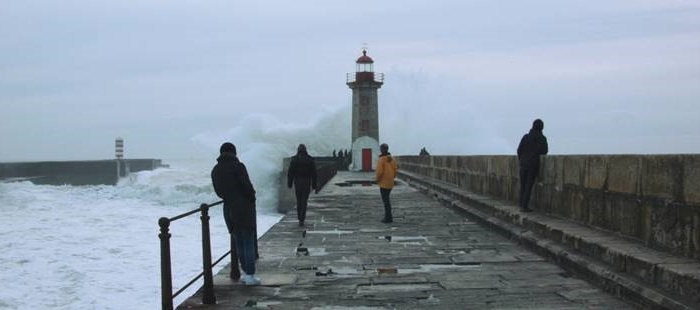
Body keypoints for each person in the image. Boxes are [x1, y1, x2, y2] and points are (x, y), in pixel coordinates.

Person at [211, 142, 260, 286]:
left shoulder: (216, 170)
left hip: (228, 207)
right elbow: (247, 186)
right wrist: (252, 197)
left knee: (238, 240)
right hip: (244, 207)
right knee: (248, 240)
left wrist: (229, 197)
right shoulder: (238, 166)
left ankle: (246, 272)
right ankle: (250, 275)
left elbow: (218, 192)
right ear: (234, 152)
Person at [517, 119, 549, 212]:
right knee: (529, 186)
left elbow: (519, 150)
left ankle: (521, 204)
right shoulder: (542, 138)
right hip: (533, 165)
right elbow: (545, 151)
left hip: (523, 164)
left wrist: (521, 160)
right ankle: (524, 207)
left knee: (523, 185)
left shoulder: (525, 137)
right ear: (541, 127)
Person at [287, 144, 318, 227]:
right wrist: (314, 184)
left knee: (299, 200)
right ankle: (302, 219)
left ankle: (299, 218)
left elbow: (290, 172)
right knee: (304, 200)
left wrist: (289, 183)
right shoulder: (310, 159)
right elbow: (314, 173)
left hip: (297, 182)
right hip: (307, 182)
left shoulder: (294, 159)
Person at [376, 143, 399, 223]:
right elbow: (396, 170)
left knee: (386, 201)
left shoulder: (381, 159)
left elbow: (379, 172)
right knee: (387, 200)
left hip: (383, 182)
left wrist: (377, 179)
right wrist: (391, 178)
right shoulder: (393, 159)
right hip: (390, 182)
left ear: (382, 149)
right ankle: (388, 216)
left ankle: (388, 217)